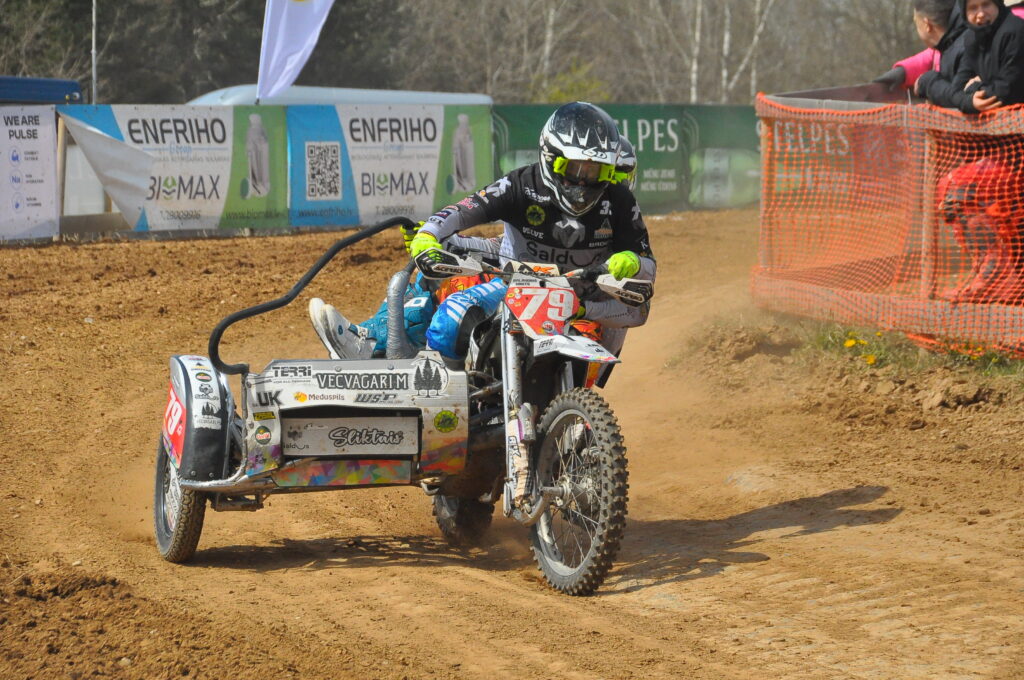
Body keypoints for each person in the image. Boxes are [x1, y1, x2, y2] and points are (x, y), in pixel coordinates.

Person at [311, 102, 655, 382]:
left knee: (456, 285)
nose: (586, 183)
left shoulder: (620, 209)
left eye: (603, 173)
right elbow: (477, 222)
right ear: (553, 159)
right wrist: (435, 236)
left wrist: (611, 285)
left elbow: (638, 306)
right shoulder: (523, 186)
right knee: (446, 297)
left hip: (582, 316)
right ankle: (385, 349)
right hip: (519, 290)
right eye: (579, 170)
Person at [873, 0, 1024, 92]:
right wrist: (906, 70)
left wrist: (930, 84)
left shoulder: (1011, 22)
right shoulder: (962, 24)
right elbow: (938, 51)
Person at [909, 0, 970, 106]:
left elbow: (959, 98)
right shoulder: (954, 42)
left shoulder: (964, 46)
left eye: (917, 23)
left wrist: (927, 83)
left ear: (927, 25)